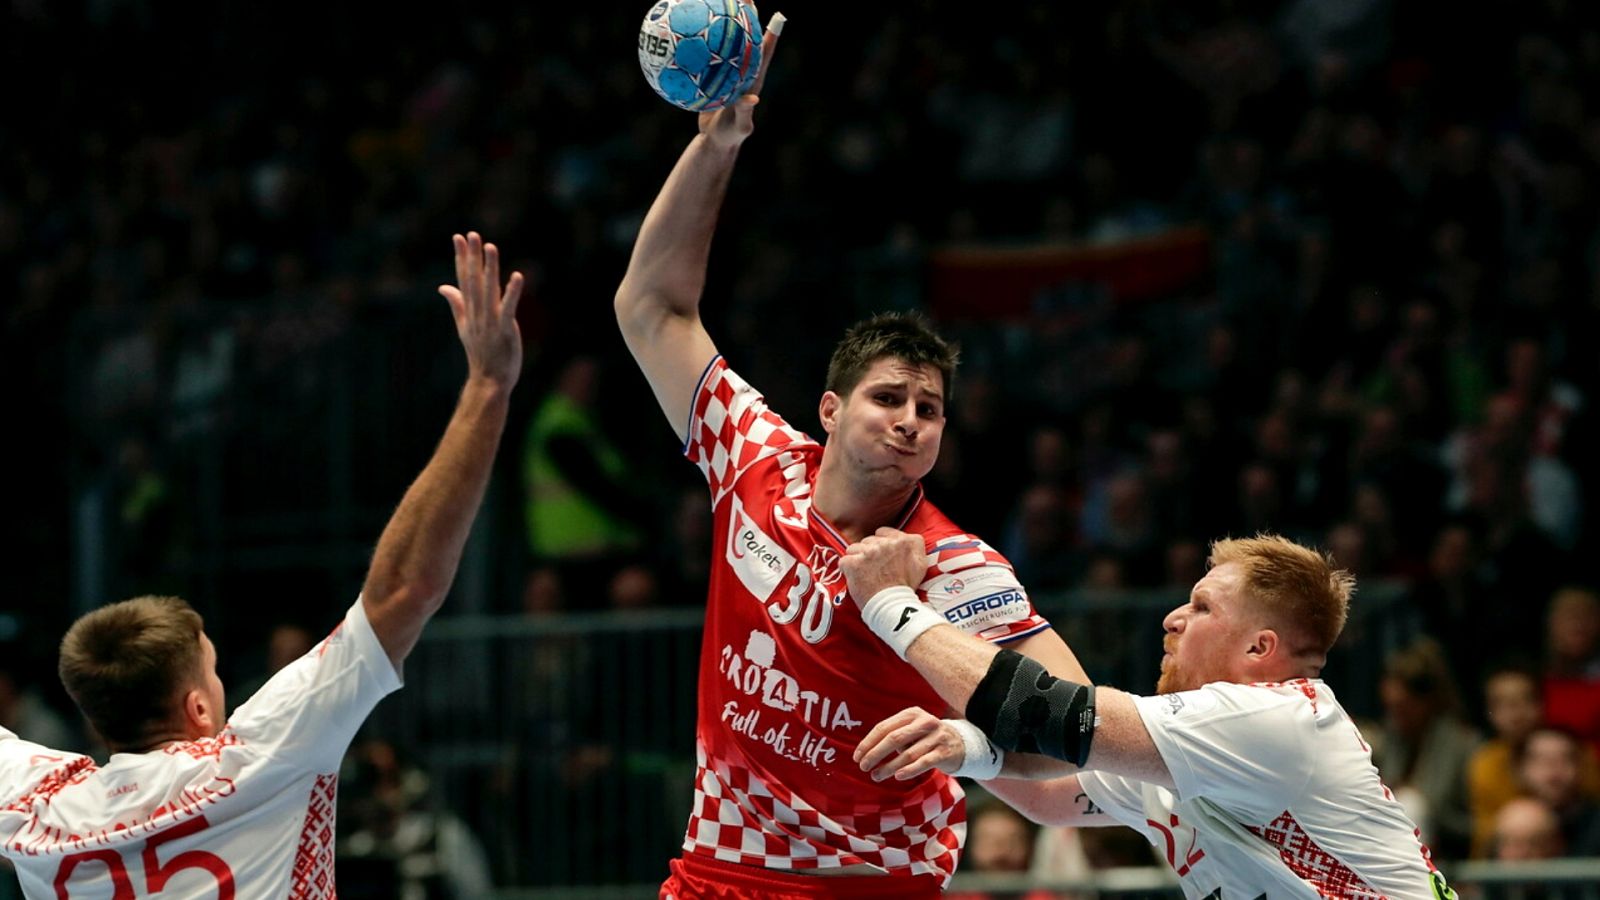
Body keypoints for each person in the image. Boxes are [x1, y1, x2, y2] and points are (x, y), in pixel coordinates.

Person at [613, 14, 1085, 897]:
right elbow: (653, 310)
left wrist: (974, 743)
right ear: (829, 409)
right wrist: (719, 145)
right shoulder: (753, 455)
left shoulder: (956, 565)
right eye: (888, 398)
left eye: (930, 409)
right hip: (718, 871)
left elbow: (1078, 726)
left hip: (875, 881)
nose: (910, 420)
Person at [0, 232, 523, 897]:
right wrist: (486, 389)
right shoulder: (265, 754)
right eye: (216, 674)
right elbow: (405, 589)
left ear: (97, 721)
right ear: (196, 707)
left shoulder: (37, 806)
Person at [842, 532, 1459, 898]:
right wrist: (960, 744)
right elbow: (1054, 790)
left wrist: (891, 605)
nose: (1171, 618)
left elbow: (1052, 715)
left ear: (1258, 648)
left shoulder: (1281, 721)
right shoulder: (1195, 753)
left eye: (1200, 606)